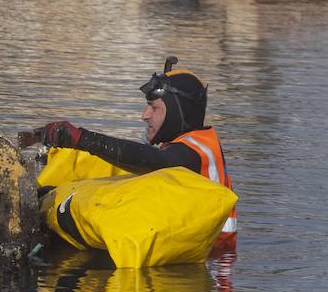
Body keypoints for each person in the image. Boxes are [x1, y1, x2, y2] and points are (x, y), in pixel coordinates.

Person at [35, 57, 236, 251]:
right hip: (190, 251)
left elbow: (151, 160)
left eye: (154, 107)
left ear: (177, 113)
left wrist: (82, 139)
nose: (144, 115)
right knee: (88, 161)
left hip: (212, 261)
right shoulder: (187, 142)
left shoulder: (195, 151)